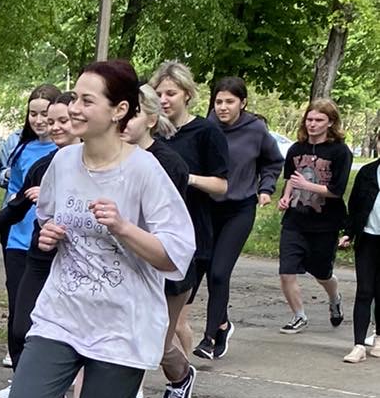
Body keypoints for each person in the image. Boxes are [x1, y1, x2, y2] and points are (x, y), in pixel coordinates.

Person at [3, 59, 194, 398]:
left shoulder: (144, 171)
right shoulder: (63, 163)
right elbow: (49, 222)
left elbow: (177, 255)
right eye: (75, 98)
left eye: (87, 101)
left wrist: (125, 228)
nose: (74, 108)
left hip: (122, 324)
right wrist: (49, 237)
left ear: (120, 111)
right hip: (64, 312)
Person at [0, 94, 71, 383]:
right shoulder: (40, 164)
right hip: (32, 250)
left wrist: (52, 198)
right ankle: (23, 380)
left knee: (63, 326)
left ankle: (61, 388)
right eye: (52, 121)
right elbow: (15, 207)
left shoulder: (97, 165)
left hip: (73, 259)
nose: (55, 126)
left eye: (64, 120)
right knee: (22, 323)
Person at [195, 77, 283, 360]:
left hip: (240, 208)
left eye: (229, 102)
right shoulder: (206, 128)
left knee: (220, 272)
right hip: (208, 208)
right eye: (218, 101)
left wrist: (266, 187)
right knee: (205, 267)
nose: (222, 107)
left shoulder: (256, 130)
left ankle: (209, 339)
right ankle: (222, 324)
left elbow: (273, 161)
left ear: (242, 103)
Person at [122, 86, 195, 398]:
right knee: (128, 334)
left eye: (134, 113)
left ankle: (180, 374)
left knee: (154, 341)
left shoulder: (168, 163)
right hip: (124, 263)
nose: (124, 121)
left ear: (151, 118)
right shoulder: (110, 154)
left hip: (164, 266)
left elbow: (165, 225)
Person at [150, 63, 229, 367]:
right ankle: (176, 376)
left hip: (191, 233)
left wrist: (186, 178)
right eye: (158, 93)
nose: (164, 99)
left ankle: (183, 375)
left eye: (171, 93)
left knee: (176, 321)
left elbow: (221, 185)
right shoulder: (150, 131)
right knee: (155, 320)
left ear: (187, 94)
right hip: (152, 234)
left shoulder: (206, 131)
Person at [276, 100, 352, 331]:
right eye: (309, 119)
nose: (313, 124)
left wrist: (308, 186)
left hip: (325, 223)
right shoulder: (296, 149)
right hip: (295, 221)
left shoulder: (340, 152)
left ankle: (334, 298)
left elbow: (336, 191)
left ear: (330, 122)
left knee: (322, 272)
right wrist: (286, 197)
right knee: (286, 271)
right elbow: (291, 178)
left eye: (319, 120)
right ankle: (299, 315)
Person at [342, 149, 380, 362]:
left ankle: (379, 339)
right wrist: (349, 232)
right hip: (368, 238)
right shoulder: (367, 172)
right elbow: (355, 205)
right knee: (364, 290)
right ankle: (358, 345)